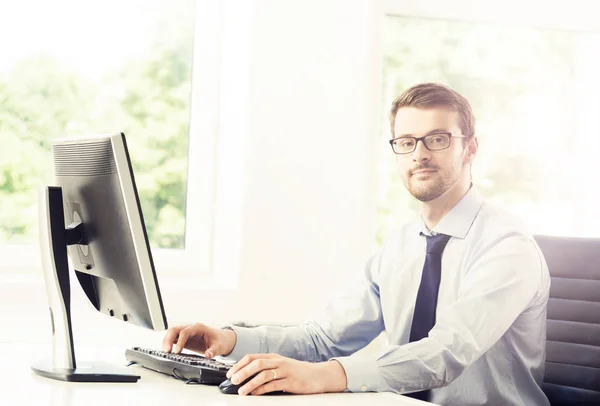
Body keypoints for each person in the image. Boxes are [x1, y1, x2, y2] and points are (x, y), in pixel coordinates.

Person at [162, 83, 551, 405]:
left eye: (437, 139)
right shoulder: (402, 246)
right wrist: (229, 339)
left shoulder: (506, 246)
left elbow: (446, 352)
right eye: (406, 141)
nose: (420, 154)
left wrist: (324, 376)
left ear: (470, 148)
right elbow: (324, 339)